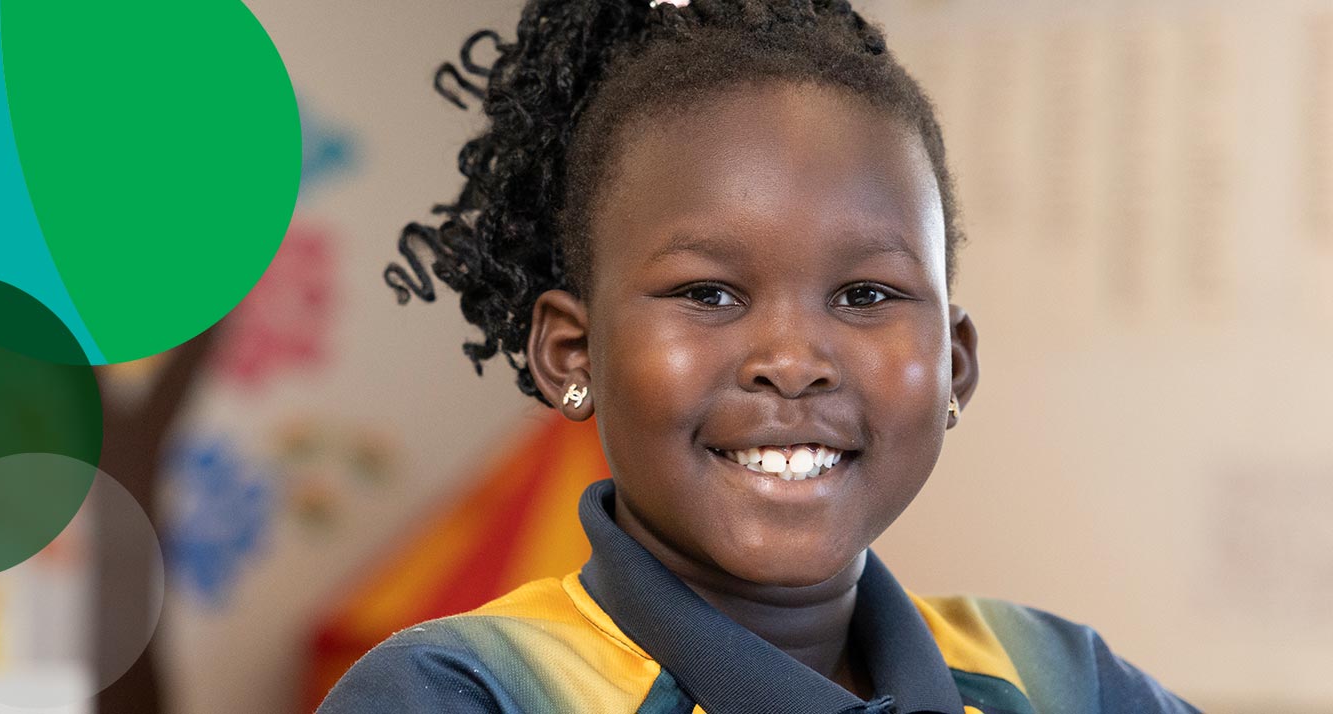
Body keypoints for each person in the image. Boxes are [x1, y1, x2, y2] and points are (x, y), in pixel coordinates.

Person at [324, 1, 1201, 712]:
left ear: (955, 366)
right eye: (709, 294)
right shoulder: (463, 694)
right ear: (570, 353)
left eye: (865, 295)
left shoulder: (1058, 681)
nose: (792, 361)